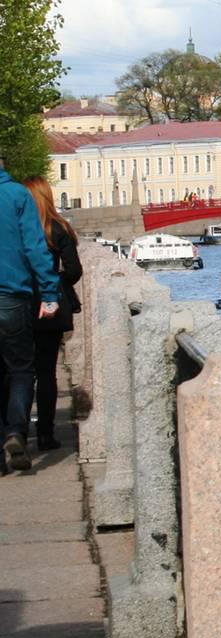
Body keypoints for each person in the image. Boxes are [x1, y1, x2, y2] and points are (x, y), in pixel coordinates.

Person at [0, 158, 60, 473]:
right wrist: (49, 293)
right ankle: (15, 431)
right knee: (21, 369)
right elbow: (35, 248)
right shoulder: (17, 196)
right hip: (12, 296)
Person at [20, 179, 79, 453]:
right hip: (50, 305)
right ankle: (45, 433)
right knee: (46, 373)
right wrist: (57, 281)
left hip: (20, 302)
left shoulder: (19, 229)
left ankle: (17, 431)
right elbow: (74, 270)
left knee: (18, 372)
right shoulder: (58, 228)